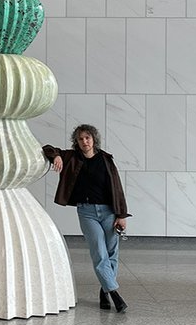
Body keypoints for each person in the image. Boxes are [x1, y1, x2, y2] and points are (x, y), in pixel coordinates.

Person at [43, 125, 131, 313]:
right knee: (99, 252)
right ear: (77, 141)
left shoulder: (105, 159)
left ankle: (104, 291)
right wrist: (56, 156)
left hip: (109, 211)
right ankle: (115, 294)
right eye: (81, 139)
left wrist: (121, 215)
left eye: (88, 138)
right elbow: (47, 148)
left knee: (112, 252)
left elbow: (117, 188)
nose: (85, 142)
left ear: (94, 139)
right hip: (87, 212)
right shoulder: (72, 157)